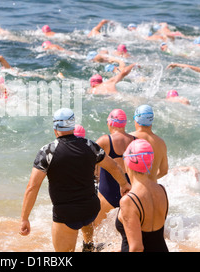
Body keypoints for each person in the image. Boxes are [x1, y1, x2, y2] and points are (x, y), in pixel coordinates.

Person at [19, 108, 131, 252]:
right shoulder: (90, 146)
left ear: (55, 128)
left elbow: (32, 187)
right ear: (72, 127)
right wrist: (124, 184)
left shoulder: (48, 151)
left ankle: (87, 246)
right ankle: (88, 245)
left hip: (66, 213)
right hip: (90, 208)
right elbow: (114, 166)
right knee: (87, 229)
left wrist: (24, 218)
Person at [116, 139, 169, 252]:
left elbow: (137, 248)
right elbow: (152, 238)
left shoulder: (129, 201)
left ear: (127, 163)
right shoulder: (162, 190)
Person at [94, 109, 136, 227]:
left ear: (110, 123)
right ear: (125, 123)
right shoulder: (135, 141)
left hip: (107, 193)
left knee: (95, 231)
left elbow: (90, 163)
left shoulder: (104, 140)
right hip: (128, 192)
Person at [130, 105, 168, 182]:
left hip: (135, 189)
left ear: (136, 119)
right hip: (153, 188)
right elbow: (164, 171)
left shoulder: (130, 138)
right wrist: (151, 179)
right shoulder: (160, 142)